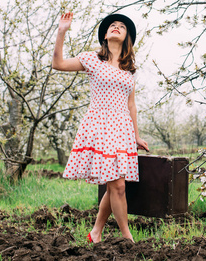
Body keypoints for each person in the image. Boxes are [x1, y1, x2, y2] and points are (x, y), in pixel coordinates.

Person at [52, 12, 149, 243]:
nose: (116, 27)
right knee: (118, 186)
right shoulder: (92, 60)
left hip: (122, 129)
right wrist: (62, 32)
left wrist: (136, 136)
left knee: (114, 183)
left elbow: (131, 105)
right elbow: (58, 64)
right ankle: (128, 238)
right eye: (112, 26)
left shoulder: (129, 70)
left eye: (121, 26)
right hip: (100, 127)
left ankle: (95, 233)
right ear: (105, 35)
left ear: (127, 37)